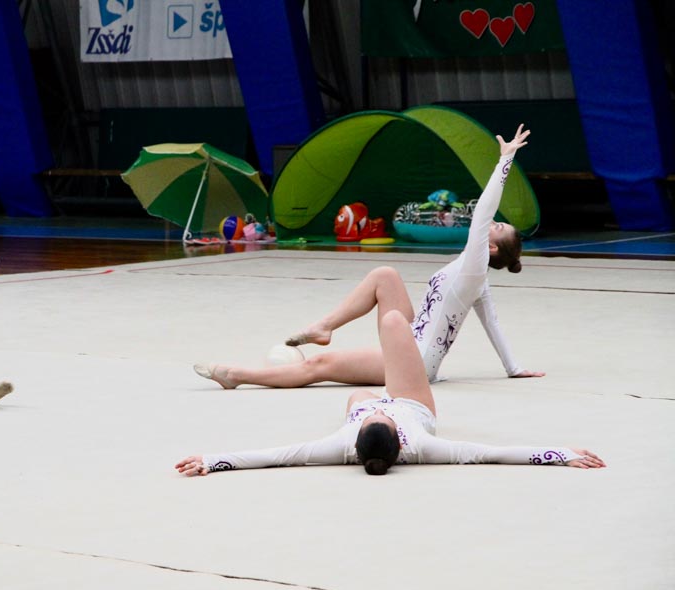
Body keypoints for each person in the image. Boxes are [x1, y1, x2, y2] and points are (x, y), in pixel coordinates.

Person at [195, 125, 542, 390]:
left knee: (320, 365)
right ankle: (324, 327)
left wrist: (505, 160)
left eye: (497, 228)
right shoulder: (475, 276)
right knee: (385, 275)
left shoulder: (474, 269)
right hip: (410, 338)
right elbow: (493, 325)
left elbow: (483, 211)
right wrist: (513, 368)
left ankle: (236, 375)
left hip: (414, 361)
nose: (492, 223)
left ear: (491, 248)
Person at [177, 307, 604, 477]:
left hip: (362, 409)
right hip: (414, 402)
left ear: (357, 435)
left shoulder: (341, 442)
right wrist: (560, 454)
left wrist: (212, 460)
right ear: (400, 436)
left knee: (358, 396)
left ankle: (351, 385)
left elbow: (277, 455)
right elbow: (492, 453)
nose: (380, 407)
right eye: (381, 413)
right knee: (395, 322)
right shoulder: (422, 443)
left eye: (373, 415)